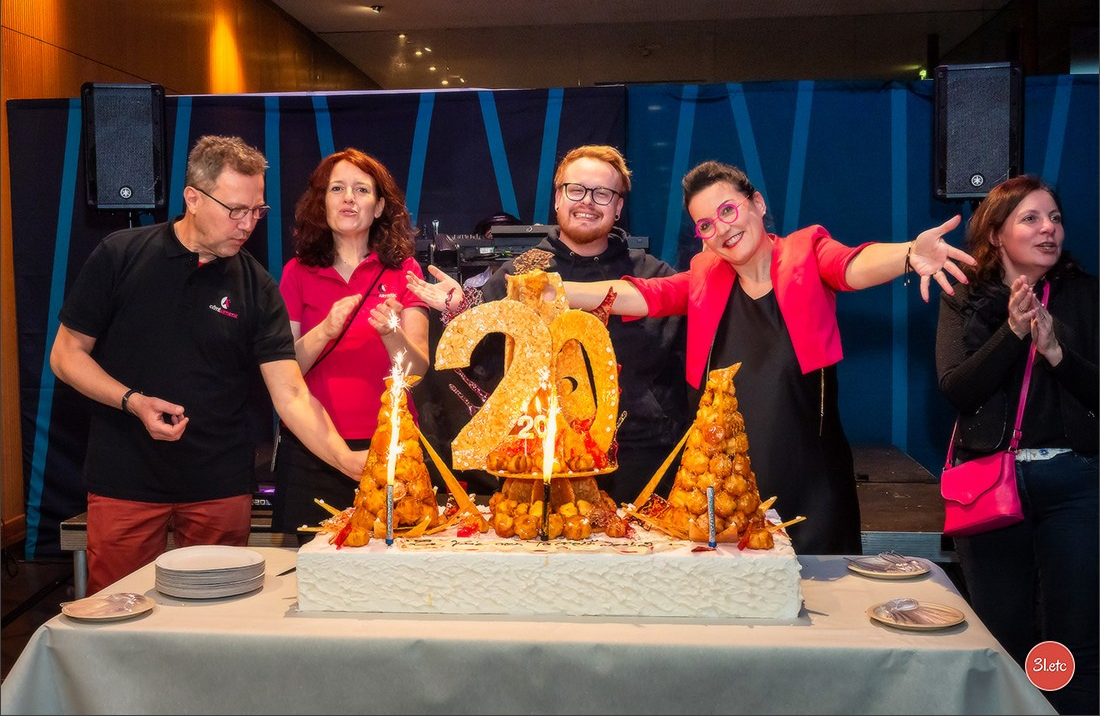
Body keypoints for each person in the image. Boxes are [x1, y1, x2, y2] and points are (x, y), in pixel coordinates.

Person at [553, 160, 974, 554]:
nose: (721, 229)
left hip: (810, 482)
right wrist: (557, 290)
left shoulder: (805, 254)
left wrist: (907, 254)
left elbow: (851, 265)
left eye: (728, 211)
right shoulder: (705, 275)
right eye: (706, 224)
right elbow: (643, 294)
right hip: (724, 494)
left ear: (757, 204)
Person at [49, 135, 369, 594]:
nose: (247, 224)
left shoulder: (256, 285)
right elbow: (66, 354)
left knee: (219, 613)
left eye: (257, 211)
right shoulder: (121, 255)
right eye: (235, 209)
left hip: (220, 482)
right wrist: (132, 402)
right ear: (193, 198)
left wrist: (344, 459)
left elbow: (291, 391)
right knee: (119, 613)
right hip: (125, 479)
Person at [410, 145, 692, 505]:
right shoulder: (519, 272)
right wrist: (460, 311)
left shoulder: (651, 274)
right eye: (576, 190)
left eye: (602, 193)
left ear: (618, 206)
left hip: (639, 459)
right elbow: (479, 364)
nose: (587, 202)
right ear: (558, 198)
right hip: (536, 460)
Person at [935, 175, 1097, 715]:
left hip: (1073, 485)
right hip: (990, 487)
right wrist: (1013, 333)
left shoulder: (1084, 295)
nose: (1049, 228)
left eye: (1055, 217)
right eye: (1031, 218)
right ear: (996, 233)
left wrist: (1056, 352)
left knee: (1073, 636)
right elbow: (958, 389)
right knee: (1002, 633)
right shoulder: (964, 297)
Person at [270, 148, 429, 538]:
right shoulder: (296, 273)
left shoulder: (405, 270)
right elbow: (286, 372)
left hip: (390, 450)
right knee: (307, 579)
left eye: (361, 190)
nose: (348, 198)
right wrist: (324, 329)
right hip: (313, 451)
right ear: (321, 203)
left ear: (377, 208)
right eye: (337, 188)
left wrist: (392, 332)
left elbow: (418, 371)